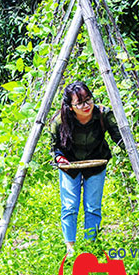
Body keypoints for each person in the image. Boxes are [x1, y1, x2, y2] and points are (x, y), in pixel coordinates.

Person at [50, 81, 124, 256]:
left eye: (88, 100)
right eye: (80, 103)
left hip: (97, 163)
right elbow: (54, 148)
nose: (86, 106)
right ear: (70, 107)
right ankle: (70, 249)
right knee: (69, 206)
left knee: (93, 207)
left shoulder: (103, 114)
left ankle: (90, 247)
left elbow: (119, 138)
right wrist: (59, 158)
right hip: (70, 166)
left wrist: (133, 150)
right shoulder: (59, 120)